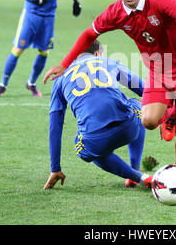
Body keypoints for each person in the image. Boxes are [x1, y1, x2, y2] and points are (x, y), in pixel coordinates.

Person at [43, 0, 176, 170]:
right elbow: (88, 34)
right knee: (147, 122)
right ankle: (171, 112)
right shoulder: (115, 13)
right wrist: (64, 64)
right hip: (159, 69)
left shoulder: (160, 0)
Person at [43, 40, 152, 189]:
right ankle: (135, 167)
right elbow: (145, 90)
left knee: (82, 147)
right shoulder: (109, 62)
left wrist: (55, 168)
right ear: (97, 54)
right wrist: (165, 113)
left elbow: (55, 126)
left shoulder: (61, 77)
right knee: (136, 103)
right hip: (129, 126)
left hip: (96, 139)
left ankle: (138, 177)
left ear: (75, 56)